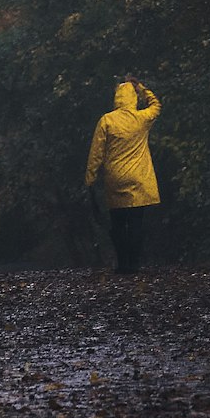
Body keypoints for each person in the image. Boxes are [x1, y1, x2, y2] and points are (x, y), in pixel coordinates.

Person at [85, 77, 162, 274]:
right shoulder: (142, 119)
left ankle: (122, 264)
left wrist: (90, 178)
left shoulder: (107, 121)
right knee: (136, 223)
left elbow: (96, 153)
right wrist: (142, 88)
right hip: (139, 178)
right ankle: (134, 264)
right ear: (133, 98)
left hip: (115, 178)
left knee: (118, 223)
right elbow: (156, 105)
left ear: (117, 98)